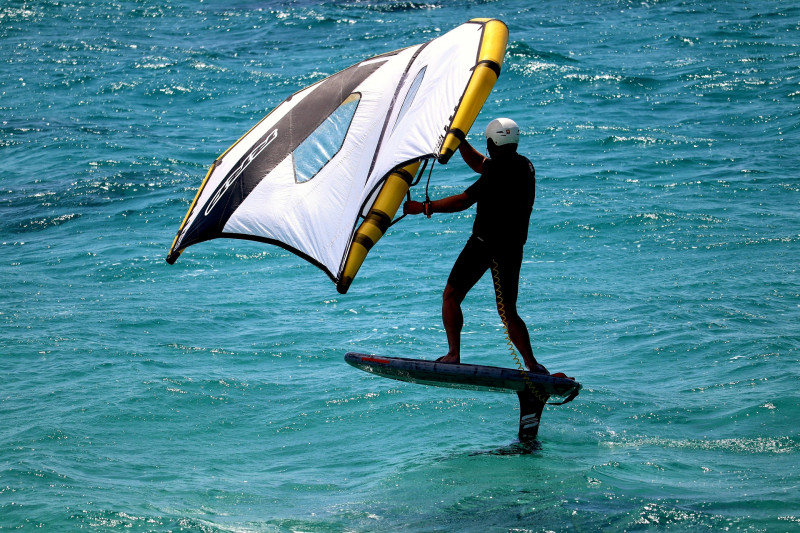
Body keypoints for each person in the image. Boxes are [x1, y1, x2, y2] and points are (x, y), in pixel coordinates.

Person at [403, 118, 548, 374]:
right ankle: (532, 364)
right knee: (508, 312)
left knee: (451, 296)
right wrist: (459, 140)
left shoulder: (500, 171)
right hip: (511, 248)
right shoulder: (523, 165)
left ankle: (453, 355)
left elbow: (463, 201)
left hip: (484, 245)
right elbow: (481, 164)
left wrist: (424, 208)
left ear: (493, 142)